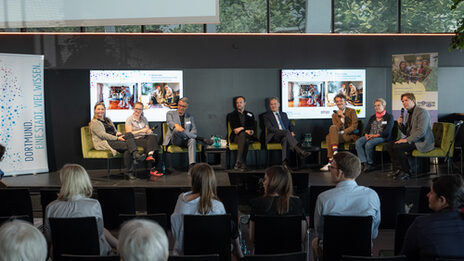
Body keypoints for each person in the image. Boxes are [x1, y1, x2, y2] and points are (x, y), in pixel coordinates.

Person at [312, 151, 381, 260]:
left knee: (315, 242)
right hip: (363, 255)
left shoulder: (324, 198)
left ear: (339, 173)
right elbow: (373, 234)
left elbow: (320, 233)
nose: (330, 170)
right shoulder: (372, 196)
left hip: (331, 255)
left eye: (331, 167)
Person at [43, 164, 118, 255]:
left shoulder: (51, 207)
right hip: (92, 254)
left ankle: (119, 245)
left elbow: (49, 237)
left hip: (62, 255)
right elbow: (98, 234)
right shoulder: (93, 205)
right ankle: (120, 246)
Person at [402, 175, 464, 261]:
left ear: (442, 200)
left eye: (431, 192)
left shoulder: (421, 224)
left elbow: (406, 257)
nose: (427, 195)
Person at [170, 163, 226, 255]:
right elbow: (222, 236)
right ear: (211, 181)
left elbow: (175, 231)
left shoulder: (181, 199)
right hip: (210, 256)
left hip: (182, 255)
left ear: (193, 181)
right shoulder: (217, 206)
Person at [249, 165, 307, 252]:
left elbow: (252, 238)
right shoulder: (297, 203)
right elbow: (301, 238)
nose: (263, 183)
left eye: (265, 179)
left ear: (273, 182)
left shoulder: (257, 203)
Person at [90, 102, 145, 179]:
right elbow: (103, 135)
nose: (100, 111)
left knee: (129, 135)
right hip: (105, 142)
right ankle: (133, 162)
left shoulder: (107, 120)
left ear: (105, 110)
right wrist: (117, 138)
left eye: (102, 109)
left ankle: (134, 157)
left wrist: (117, 133)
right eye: (98, 109)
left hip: (114, 139)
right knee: (128, 146)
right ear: (95, 110)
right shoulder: (94, 123)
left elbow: (114, 131)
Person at [386, 93, 434, 180]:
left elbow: (421, 132)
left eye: (406, 100)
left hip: (422, 141)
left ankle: (406, 171)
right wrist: (400, 124)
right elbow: (407, 132)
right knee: (389, 145)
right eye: (402, 101)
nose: (404, 103)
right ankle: (397, 169)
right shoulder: (408, 113)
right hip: (414, 138)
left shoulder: (422, 112)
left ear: (413, 101)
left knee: (398, 147)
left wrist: (406, 140)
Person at [163, 97, 211, 168]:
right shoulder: (170, 113)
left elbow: (194, 130)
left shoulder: (190, 116)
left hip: (186, 140)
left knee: (192, 140)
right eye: (180, 105)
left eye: (184, 106)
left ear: (187, 107)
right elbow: (170, 123)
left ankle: (192, 165)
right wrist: (176, 125)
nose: (181, 108)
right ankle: (200, 138)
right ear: (177, 105)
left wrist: (189, 135)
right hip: (175, 139)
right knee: (176, 130)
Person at [263, 97, 310, 166]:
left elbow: (290, 125)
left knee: (285, 139)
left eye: (275, 104)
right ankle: (300, 151)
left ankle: (284, 163)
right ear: (270, 106)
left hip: (285, 135)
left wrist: (292, 131)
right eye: (271, 104)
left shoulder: (284, 114)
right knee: (286, 132)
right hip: (274, 136)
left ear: (278, 104)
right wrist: (284, 132)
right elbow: (270, 128)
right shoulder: (266, 116)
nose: (273, 106)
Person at [320, 94, 359, 171]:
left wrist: (344, 121)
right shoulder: (334, 115)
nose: (339, 103)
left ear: (345, 102)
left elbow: (354, 126)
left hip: (349, 135)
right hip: (339, 136)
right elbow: (336, 128)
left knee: (329, 137)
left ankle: (330, 161)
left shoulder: (352, 111)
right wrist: (341, 119)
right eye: (337, 101)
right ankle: (335, 152)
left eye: (341, 101)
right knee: (332, 128)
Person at [355, 98, 394, 172]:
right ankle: (364, 162)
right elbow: (367, 128)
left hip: (382, 137)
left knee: (369, 144)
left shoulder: (389, 117)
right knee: (358, 142)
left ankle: (370, 163)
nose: (376, 107)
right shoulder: (373, 117)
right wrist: (366, 134)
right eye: (375, 106)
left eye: (378, 105)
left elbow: (387, 132)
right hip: (370, 135)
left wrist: (375, 136)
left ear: (383, 106)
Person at [125, 101, 162, 176]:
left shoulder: (144, 119)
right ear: (133, 109)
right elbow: (129, 133)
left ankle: (150, 155)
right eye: (136, 109)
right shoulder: (129, 120)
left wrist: (149, 131)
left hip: (145, 137)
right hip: (135, 139)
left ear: (142, 110)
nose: (138, 111)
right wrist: (141, 130)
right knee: (153, 145)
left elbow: (147, 130)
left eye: (140, 109)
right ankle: (152, 167)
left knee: (153, 136)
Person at [228, 96, 257, 171]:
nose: (238, 104)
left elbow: (253, 127)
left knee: (245, 138)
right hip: (236, 137)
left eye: (240, 102)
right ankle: (242, 163)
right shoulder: (232, 115)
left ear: (245, 103)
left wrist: (242, 128)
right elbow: (235, 129)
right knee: (244, 138)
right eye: (237, 103)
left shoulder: (250, 114)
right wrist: (246, 130)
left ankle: (238, 162)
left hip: (248, 136)